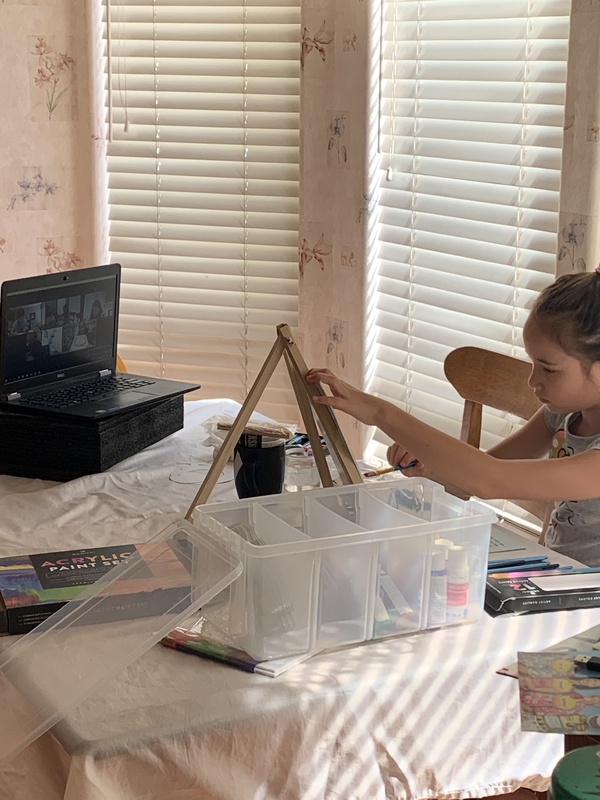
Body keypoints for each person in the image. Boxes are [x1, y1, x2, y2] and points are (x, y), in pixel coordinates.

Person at [306, 269, 600, 567]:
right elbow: (473, 480)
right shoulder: (561, 415)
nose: (532, 381)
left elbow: (490, 479)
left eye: (548, 369)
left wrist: (382, 413)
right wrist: (428, 471)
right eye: (533, 363)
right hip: (565, 580)